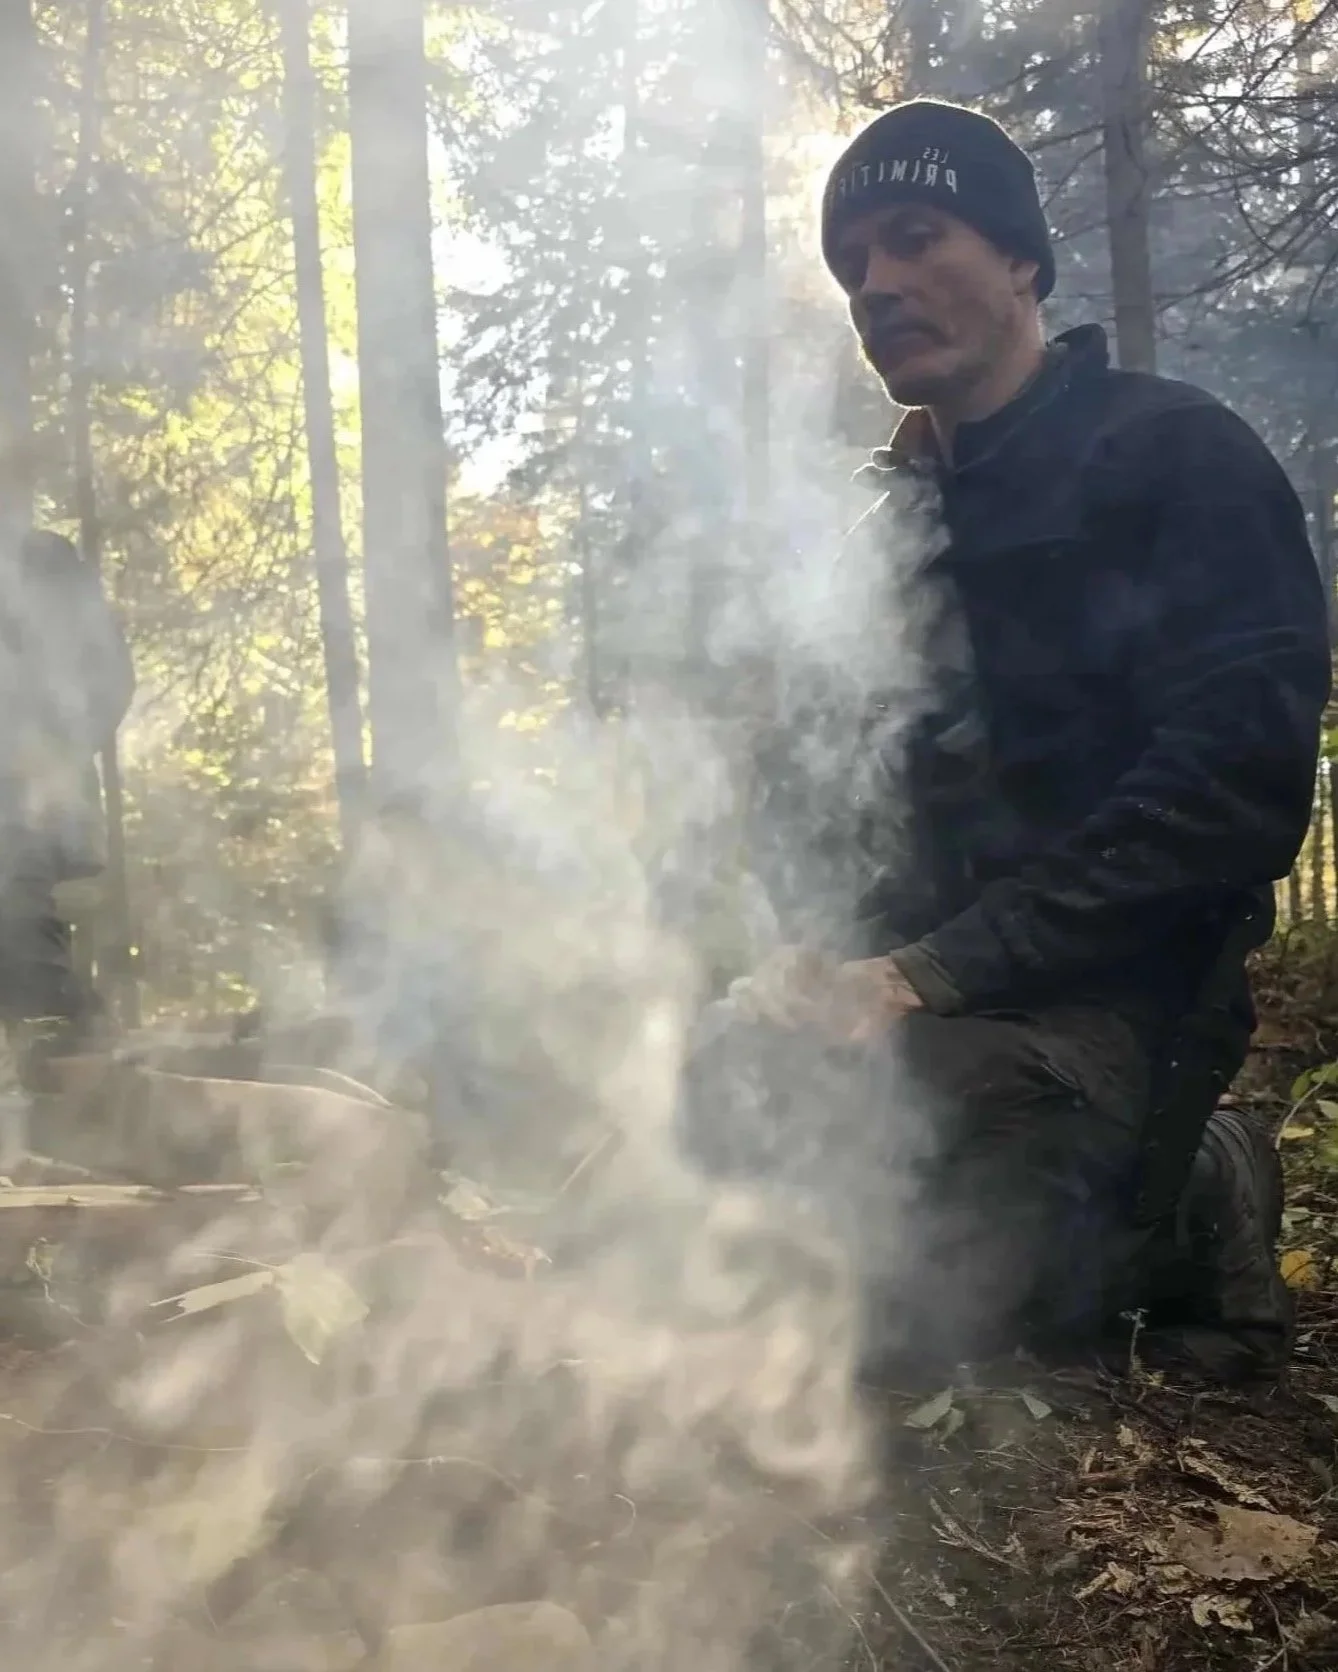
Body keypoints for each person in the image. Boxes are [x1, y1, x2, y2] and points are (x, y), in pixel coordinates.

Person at [679, 101, 1332, 1382]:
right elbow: (826, 787)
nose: (877, 284)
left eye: (917, 238)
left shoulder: (1172, 456)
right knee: (706, 1114)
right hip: (916, 1009)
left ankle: (1200, 1179)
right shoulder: (882, 531)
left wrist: (934, 969)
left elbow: (1237, 787)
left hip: (1111, 1005)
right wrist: (802, 960)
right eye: (853, 262)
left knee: (915, 1318)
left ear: (1023, 260)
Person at [0, 529, 134, 1069]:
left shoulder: (44, 560)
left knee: (14, 916)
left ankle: (77, 1060)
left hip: (37, 800)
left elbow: (111, 677)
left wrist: (55, 749)